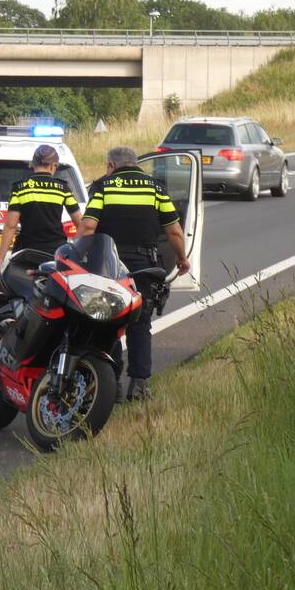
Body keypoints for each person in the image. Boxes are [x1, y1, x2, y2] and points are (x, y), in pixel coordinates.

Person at [77, 146, 190, 402]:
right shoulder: (156, 188)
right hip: (143, 265)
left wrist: (77, 257)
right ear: (136, 164)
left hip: (108, 264)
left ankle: (111, 384)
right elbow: (174, 231)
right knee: (139, 323)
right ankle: (139, 384)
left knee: (106, 321)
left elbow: (87, 227)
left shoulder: (103, 186)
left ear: (111, 166)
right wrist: (182, 259)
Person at [0, 144, 82, 272]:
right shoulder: (62, 189)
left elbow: (11, 225)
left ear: (33, 164)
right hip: (55, 253)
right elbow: (80, 222)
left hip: (27, 252)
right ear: (53, 166)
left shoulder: (20, 188)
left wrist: (1, 257)